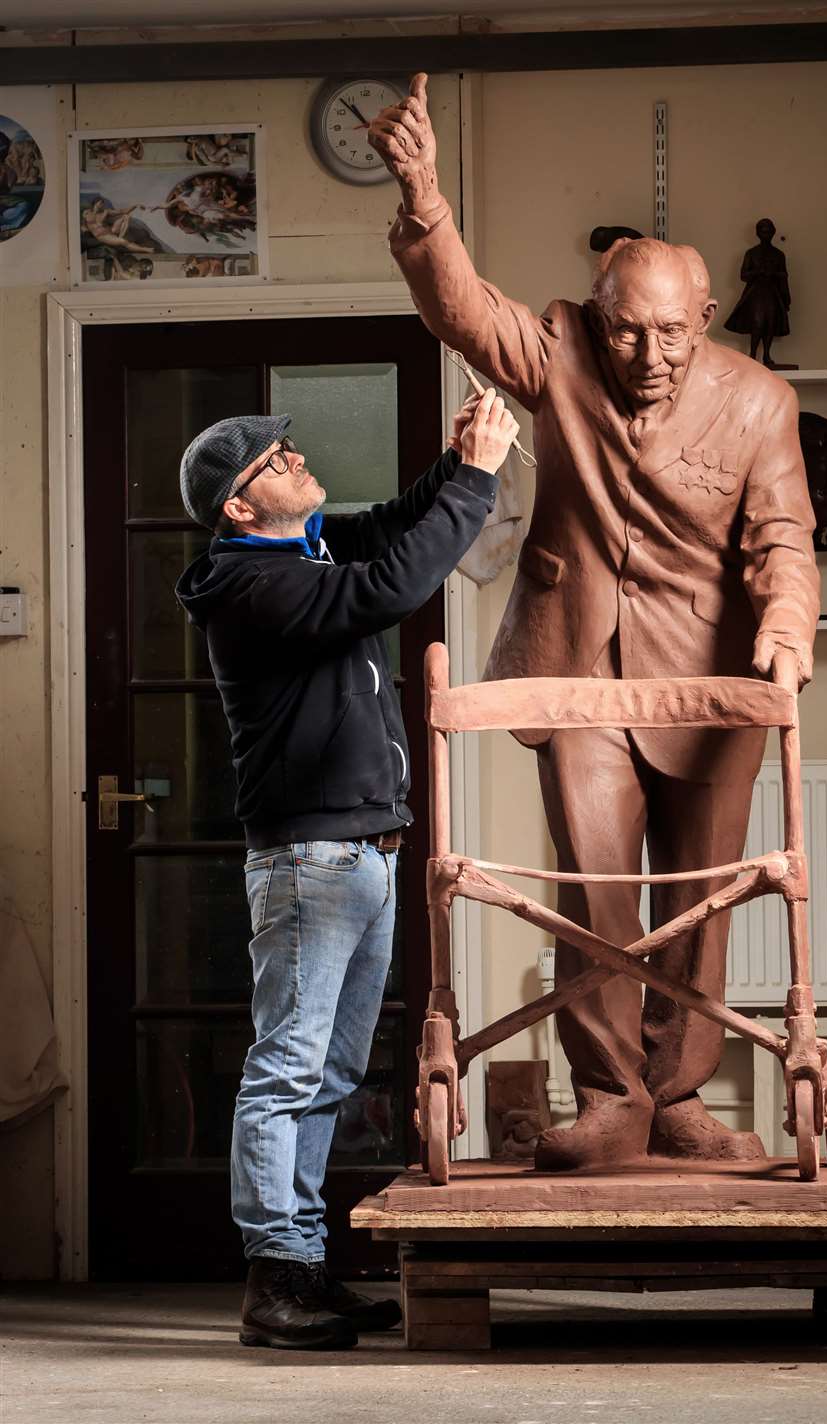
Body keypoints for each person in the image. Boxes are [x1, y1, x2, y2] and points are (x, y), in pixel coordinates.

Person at [368, 76, 819, 1174]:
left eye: (669, 333)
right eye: (625, 332)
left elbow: (784, 538)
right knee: (595, 895)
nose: (647, 356)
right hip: (573, 667)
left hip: (711, 677)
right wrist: (426, 194)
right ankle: (610, 1094)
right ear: (595, 316)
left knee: (705, 898)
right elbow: (461, 309)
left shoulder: (760, 400)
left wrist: (790, 628)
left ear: (704, 319)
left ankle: (682, 1095)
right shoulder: (561, 349)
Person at [175, 388, 519, 1349]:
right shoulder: (252, 585)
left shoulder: (305, 548)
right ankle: (273, 1279)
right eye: (273, 465)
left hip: (360, 856)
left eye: (287, 453)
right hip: (310, 863)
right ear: (240, 510)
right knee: (286, 1066)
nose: (295, 463)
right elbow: (392, 589)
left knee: (325, 1069)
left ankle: (305, 1271)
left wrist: (456, 470)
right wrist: (482, 480)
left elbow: (395, 529)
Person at [723, 217, 793, 368]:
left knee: (770, 323)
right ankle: (753, 354)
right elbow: (743, 275)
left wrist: (783, 292)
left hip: (772, 293)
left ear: (773, 232)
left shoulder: (778, 255)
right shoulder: (751, 253)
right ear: (758, 233)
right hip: (756, 294)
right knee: (758, 323)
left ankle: (767, 355)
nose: (766, 233)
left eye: (768, 230)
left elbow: (784, 275)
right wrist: (758, 271)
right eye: (762, 230)